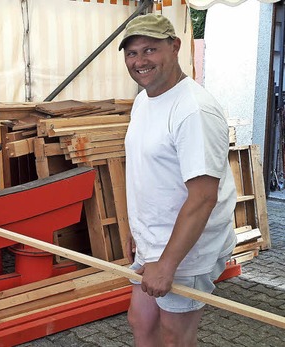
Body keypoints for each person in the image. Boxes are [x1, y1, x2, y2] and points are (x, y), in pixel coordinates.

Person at [119, 13, 237, 346]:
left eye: (150, 50)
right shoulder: (144, 100)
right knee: (141, 321)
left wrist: (168, 263)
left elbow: (203, 197)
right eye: (132, 53)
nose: (140, 61)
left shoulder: (193, 110)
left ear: (175, 47)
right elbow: (147, 171)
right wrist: (135, 229)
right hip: (153, 239)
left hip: (188, 247)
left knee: (174, 335)